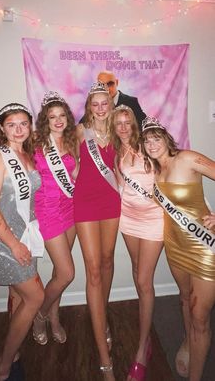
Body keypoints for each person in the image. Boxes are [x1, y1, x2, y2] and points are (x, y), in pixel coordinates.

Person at [142, 116, 215, 381]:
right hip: (174, 246)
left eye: (156, 137)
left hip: (205, 247)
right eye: (147, 140)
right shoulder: (156, 172)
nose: (151, 144)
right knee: (184, 298)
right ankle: (188, 340)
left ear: (166, 139)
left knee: (200, 316)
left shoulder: (186, 158)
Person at [0, 103, 44, 381]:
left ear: (30, 126)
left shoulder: (26, 155)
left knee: (17, 297)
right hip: (2, 242)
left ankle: (12, 351)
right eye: (11, 125)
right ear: (2, 129)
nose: (18, 130)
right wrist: (14, 245)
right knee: (36, 296)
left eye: (23, 124)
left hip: (24, 235)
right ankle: (0, 368)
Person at [110, 106, 163, 381]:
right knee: (136, 270)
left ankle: (143, 347)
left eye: (126, 121)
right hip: (128, 218)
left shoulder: (150, 145)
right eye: (117, 122)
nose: (122, 126)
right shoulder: (116, 152)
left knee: (144, 280)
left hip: (154, 218)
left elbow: (170, 174)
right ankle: (146, 315)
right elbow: (120, 187)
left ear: (134, 123)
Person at [73, 82, 121, 381]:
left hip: (111, 200)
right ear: (89, 105)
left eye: (105, 103)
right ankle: (105, 359)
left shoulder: (118, 130)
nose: (101, 108)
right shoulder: (79, 132)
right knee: (92, 269)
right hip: (85, 201)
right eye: (96, 103)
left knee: (106, 260)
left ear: (111, 104)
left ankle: (100, 316)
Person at [32, 91, 78, 345]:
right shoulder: (36, 144)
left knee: (60, 272)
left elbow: (77, 175)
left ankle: (55, 316)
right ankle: (40, 315)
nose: (58, 120)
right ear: (45, 120)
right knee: (67, 273)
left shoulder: (72, 142)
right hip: (48, 211)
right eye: (53, 117)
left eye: (62, 115)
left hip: (70, 209)